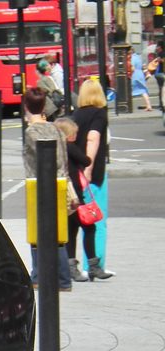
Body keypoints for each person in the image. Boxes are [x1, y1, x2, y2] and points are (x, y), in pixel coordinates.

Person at [21, 87, 71, 291]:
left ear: (26, 106)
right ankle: (63, 278)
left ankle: (38, 275)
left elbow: (36, 161)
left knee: (37, 232)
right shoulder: (55, 129)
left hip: (38, 184)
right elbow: (64, 158)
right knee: (57, 234)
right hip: (59, 183)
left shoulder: (31, 132)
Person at [72, 78, 113, 278]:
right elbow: (93, 137)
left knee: (78, 218)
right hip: (92, 172)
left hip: (75, 170)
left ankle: (77, 263)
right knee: (96, 217)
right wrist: (89, 167)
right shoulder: (99, 114)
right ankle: (96, 264)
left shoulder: (76, 114)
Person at [56, 117, 93, 283]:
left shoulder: (57, 148)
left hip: (64, 196)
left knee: (71, 231)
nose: (76, 135)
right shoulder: (69, 147)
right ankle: (93, 265)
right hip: (75, 196)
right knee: (89, 227)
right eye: (75, 132)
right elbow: (86, 160)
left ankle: (71, 265)